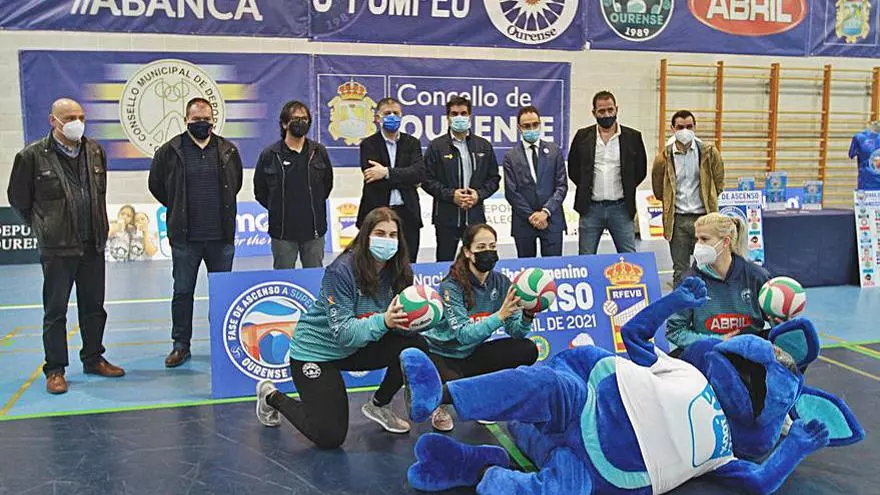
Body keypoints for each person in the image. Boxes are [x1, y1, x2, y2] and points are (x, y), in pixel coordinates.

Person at [254, 207, 430, 448]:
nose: (387, 240)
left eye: (393, 235)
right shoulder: (341, 271)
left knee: (416, 346)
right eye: (380, 233)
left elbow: (399, 327)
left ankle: (379, 405)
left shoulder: (400, 272)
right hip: (317, 353)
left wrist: (421, 319)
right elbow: (345, 333)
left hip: (357, 347)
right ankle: (271, 396)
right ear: (366, 236)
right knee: (330, 437)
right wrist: (385, 321)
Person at [7, 97, 124, 394]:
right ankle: (55, 369)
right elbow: (19, 199)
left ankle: (94, 358)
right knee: (56, 311)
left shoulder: (95, 151)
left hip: (93, 243)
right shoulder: (32, 156)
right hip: (57, 247)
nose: (77, 123)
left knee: (94, 307)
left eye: (81, 117)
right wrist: (44, 226)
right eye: (70, 118)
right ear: (53, 121)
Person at [148, 97, 243, 368]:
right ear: (186, 120)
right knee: (182, 292)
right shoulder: (169, 151)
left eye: (206, 119)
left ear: (213, 120)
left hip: (221, 239)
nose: (202, 123)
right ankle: (181, 345)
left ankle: (221, 343)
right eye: (196, 119)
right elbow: (156, 185)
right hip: (185, 239)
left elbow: (235, 184)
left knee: (221, 294)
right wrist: (178, 205)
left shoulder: (228, 150)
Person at [421, 224, 539, 431]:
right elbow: (463, 335)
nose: (488, 252)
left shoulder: (501, 282)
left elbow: (515, 332)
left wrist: (528, 315)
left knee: (527, 348)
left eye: (492, 246)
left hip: (472, 353)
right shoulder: (450, 286)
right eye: (481, 247)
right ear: (468, 251)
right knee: (455, 388)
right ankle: (440, 404)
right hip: (442, 354)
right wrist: (500, 315)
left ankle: (484, 395)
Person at [665, 213, 769, 353]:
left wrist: (779, 319)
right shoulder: (690, 281)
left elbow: (776, 320)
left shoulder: (756, 276)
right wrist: (715, 341)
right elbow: (674, 330)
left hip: (752, 353)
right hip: (709, 354)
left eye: (704, 239)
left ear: (725, 242)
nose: (698, 245)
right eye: (697, 239)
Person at [254, 100, 333, 269]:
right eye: (295, 119)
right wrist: (277, 207)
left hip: (314, 231)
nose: (300, 122)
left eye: (304, 119)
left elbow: (327, 185)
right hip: (283, 233)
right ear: (284, 124)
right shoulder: (270, 154)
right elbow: (260, 191)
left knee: (313, 279)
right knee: (283, 278)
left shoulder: (319, 152)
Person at [568, 91, 647, 255]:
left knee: (629, 256)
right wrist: (586, 187)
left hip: (621, 208)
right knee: (586, 257)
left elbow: (641, 171)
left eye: (610, 110)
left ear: (617, 109)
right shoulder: (582, 136)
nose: (607, 115)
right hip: (590, 209)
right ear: (594, 113)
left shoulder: (633, 137)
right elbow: (574, 170)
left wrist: (627, 187)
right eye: (602, 111)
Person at [423, 96, 501, 262]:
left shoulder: (483, 146)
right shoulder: (436, 146)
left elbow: (494, 179)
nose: (459, 117)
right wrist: (452, 195)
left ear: (470, 116)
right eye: (454, 114)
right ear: (448, 118)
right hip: (446, 217)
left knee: (477, 262)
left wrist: (478, 195)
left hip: (475, 217)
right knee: (445, 262)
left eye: (463, 113)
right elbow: (426, 179)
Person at [652, 110, 725, 286]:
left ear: (695, 127)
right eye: (680, 127)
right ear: (672, 129)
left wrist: (709, 201)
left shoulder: (709, 153)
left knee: (709, 266)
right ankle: (681, 303)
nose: (685, 130)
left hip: (704, 219)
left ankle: (710, 301)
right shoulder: (663, 157)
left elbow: (718, 182)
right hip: (677, 220)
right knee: (680, 270)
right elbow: (658, 190)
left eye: (689, 126)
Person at [357, 97, 425, 263]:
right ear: (377, 118)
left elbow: (418, 173)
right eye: (387, 113)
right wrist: (405, 177)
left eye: (396, 113)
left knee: (408, 263)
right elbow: (373, 179)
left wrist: (386, 172)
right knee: (375, 263)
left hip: (408, 213)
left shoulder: (412, 143)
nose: (392, 116)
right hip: (376, 212)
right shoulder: (368, 144)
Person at [502, 106, 568, 258]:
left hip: (552, 221)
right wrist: (532, 216)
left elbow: (561, 186)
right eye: (526, 126)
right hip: (524, 223)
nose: (531, 128)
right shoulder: (510, 157)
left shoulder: (554, 151)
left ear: (540, 124)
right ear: (519, 128)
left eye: (535, 124)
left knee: (553, 267)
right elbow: (511, 192)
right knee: (526, 269)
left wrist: (545, 212)